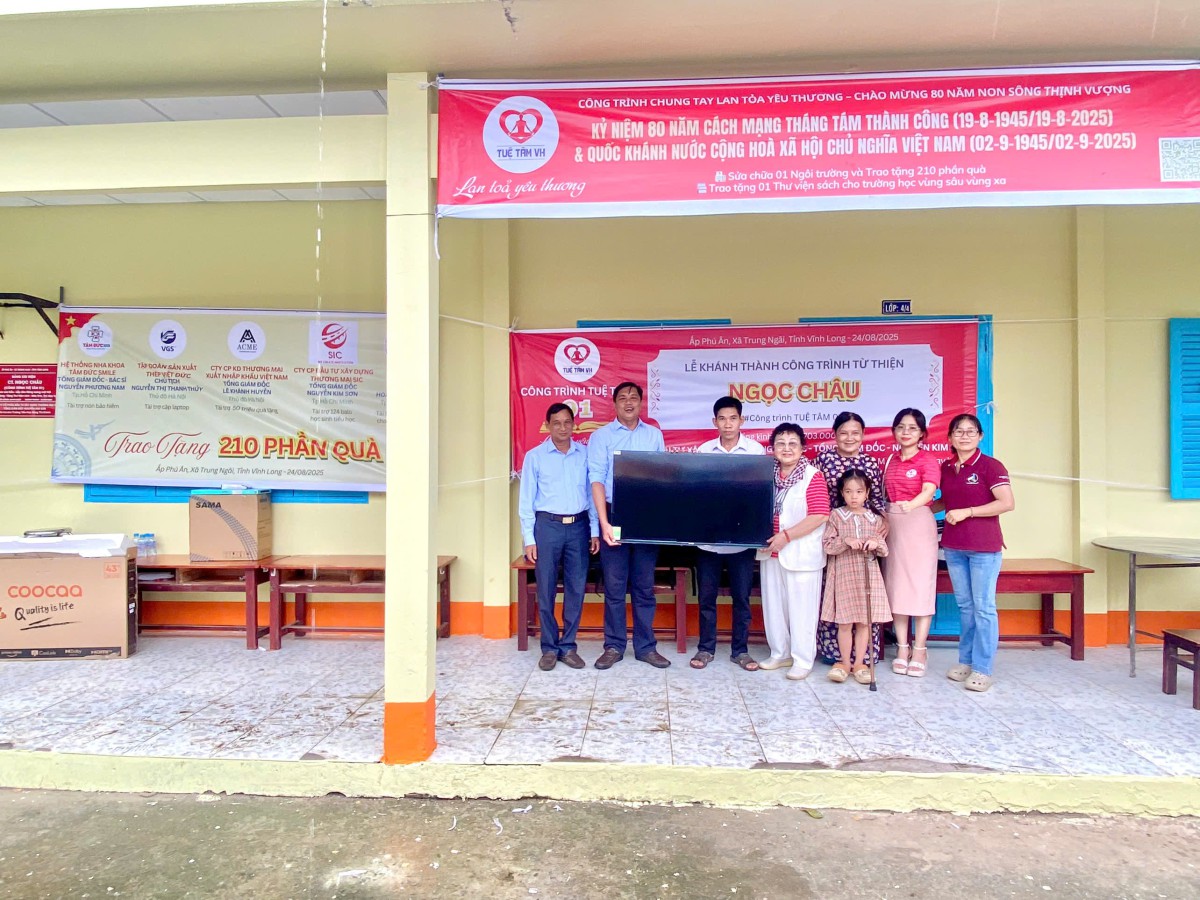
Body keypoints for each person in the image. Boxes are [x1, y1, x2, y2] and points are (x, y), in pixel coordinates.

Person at [588, 381, 669, 669]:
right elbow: (596, 480)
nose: (629, 402)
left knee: (644, 586)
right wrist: (604, 523)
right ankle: (614, 646)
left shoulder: (654, 435)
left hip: (646, 515)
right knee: (614, 585)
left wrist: (657, 519)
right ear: (614, 404)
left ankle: (646, 647)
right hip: (614, 513)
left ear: (641, 403)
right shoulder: (601, 437)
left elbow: (662, 477)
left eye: (634, 397)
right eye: (622, 398)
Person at [935, 413, 1015, 693]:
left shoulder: (991, 466)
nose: (965, 436)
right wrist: (913, 509)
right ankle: (966, 661)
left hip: (983, 548)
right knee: (966, 607)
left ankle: (983, 668)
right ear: (950, 437)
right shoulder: (947, 467)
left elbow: (1006, 503)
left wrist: (968, 512)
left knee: (983, 608)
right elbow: (946, 501)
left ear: (980, 436)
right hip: (954, 547)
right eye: (959, 431)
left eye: (971, 431)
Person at [519, 403, 601, 671]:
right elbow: (526, 501)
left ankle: (568, 646)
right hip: (547, 527)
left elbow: (591, 495)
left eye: (567, 422)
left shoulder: (584, 455)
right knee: (546, 589)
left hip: (578, 527)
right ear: (547, 425)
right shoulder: (535, 457)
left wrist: (594, 530)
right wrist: (529, 539)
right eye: (557, 423)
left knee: (576, 588)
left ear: (574, 425)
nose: (563, 428)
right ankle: (549, 648)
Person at [691, 396, 765, 672]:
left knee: (742, 599)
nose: (728, 424)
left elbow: (757, 495)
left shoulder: (755, 451)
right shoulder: (704, 451)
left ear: (741, 420)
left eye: (733, 418)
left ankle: (740, 651)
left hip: (741, 540)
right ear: (715, 422)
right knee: (706, 599)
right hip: (709, 540)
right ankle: (705, 648)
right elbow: (699, 494)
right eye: (722, 419)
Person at [813, 411, 886, 666]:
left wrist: (883, 525)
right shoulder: (823, 461)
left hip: (865, 536)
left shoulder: (871, 464)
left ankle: (863, 658)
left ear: (863, 435)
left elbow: (878, 501)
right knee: (835, 597)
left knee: (864, 601)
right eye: (843, 432)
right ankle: (835, 656)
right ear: (834, 434)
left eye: (855, 433)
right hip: (833, 533)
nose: (849, 437)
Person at [758, 423, 830, 680]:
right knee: (774, 607)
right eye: (780, 443)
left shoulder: (812, 476)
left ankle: (802, 659)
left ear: (802, 448)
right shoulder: (767, 475)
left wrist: (786, 536)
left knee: (802, 610)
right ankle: (780, 653)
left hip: (800, 553)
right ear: (773, 448)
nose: (786, 448)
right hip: (770, 552)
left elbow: (820, 515)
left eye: (792, 443)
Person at [881, 408, 941, 677]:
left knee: (920, 586)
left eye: (912, 428)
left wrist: (912, 505)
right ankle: (902, 648)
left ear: (922, 433)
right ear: (894, 431)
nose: (906, 432)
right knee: (897, 586)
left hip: (917, 522)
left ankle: (920, 649)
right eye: (901, 427)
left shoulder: (927, 459)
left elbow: (929, 490)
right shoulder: (890, 460)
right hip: (892, 524)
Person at [821, 469, 892, 685]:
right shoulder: (835, 516)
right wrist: (846, 541)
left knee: (864, 621)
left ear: (867, 493)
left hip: (868, 574)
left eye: (859, 491)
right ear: (842, 493)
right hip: (843, 574)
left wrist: (875, 543)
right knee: (844, 622)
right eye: (849, 491)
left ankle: (860, 663)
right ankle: (844, 662)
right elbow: (827, 545)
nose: (854, 496)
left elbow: (884, 549)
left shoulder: (875, 519)